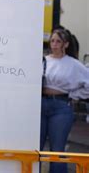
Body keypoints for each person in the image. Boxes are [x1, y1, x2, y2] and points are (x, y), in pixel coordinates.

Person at [40, 28, 89, 173]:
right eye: (52, 41)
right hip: (41, 104)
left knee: (57, 148)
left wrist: (74, 95)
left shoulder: (73, 64)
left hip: (61, 106)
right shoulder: (43, 60)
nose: (54, 44)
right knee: (36, 147)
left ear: (65, 44)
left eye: (58, 41)